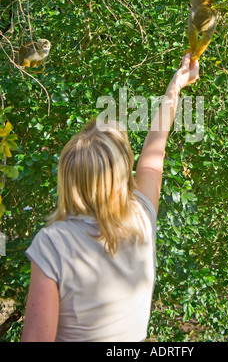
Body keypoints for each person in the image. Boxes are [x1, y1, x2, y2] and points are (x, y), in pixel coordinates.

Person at [20, 53, 199, 342]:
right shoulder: (142, 217)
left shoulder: (53, 244)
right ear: (123, 174)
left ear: (67, 175)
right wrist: (175, 87)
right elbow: (155, 152)